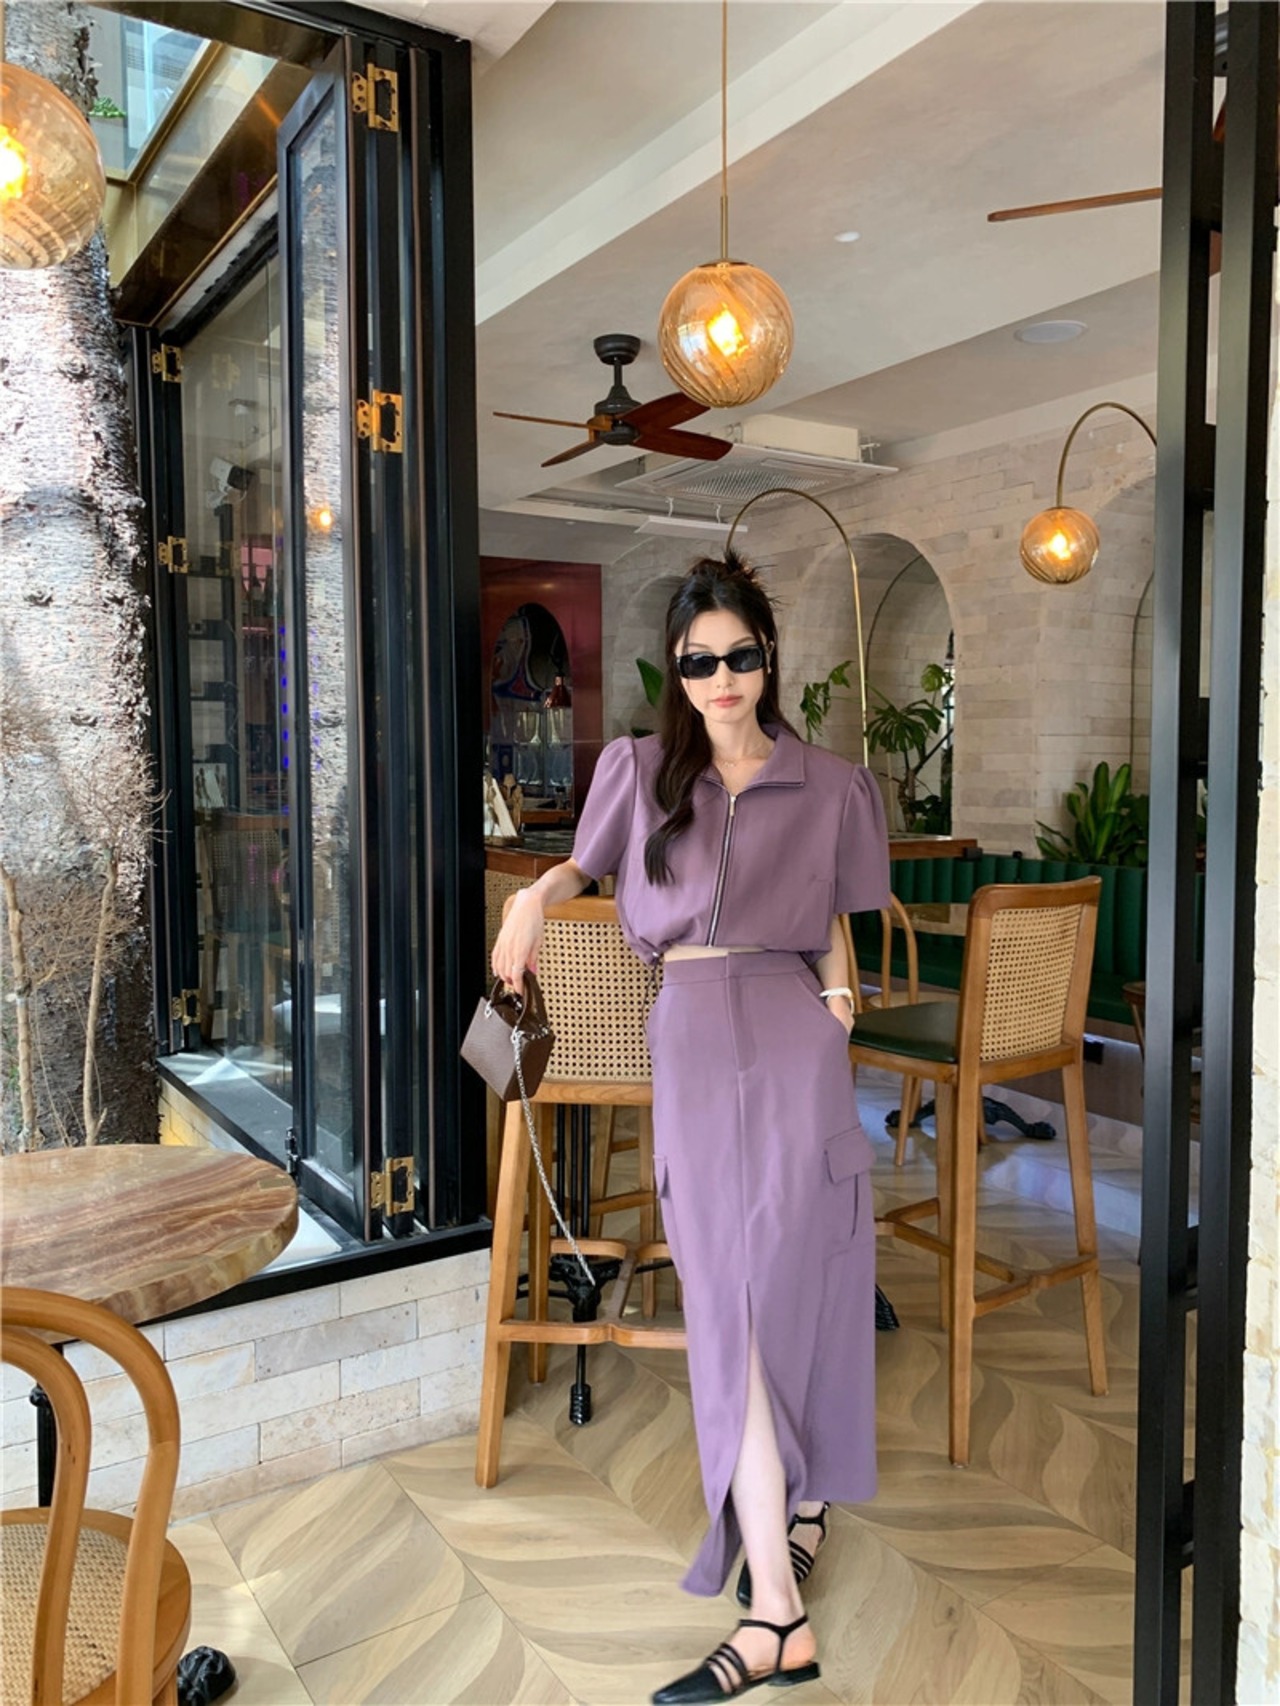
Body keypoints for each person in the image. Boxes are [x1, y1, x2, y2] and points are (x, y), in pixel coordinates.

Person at [490, 552, 890, 1702]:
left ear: (768, 657)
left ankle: (778, 1597)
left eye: (739, 656)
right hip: (692, 1037)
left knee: (798, 1286)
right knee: (727, 1312)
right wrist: (529, 896)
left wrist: (837, 998)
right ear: (676, 670)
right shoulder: (639, 769)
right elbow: (581, 864)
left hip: (793, 1039)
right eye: (697, 661)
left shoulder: (831, 784)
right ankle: (779, 1575)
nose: (720, 678)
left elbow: (834, 918)